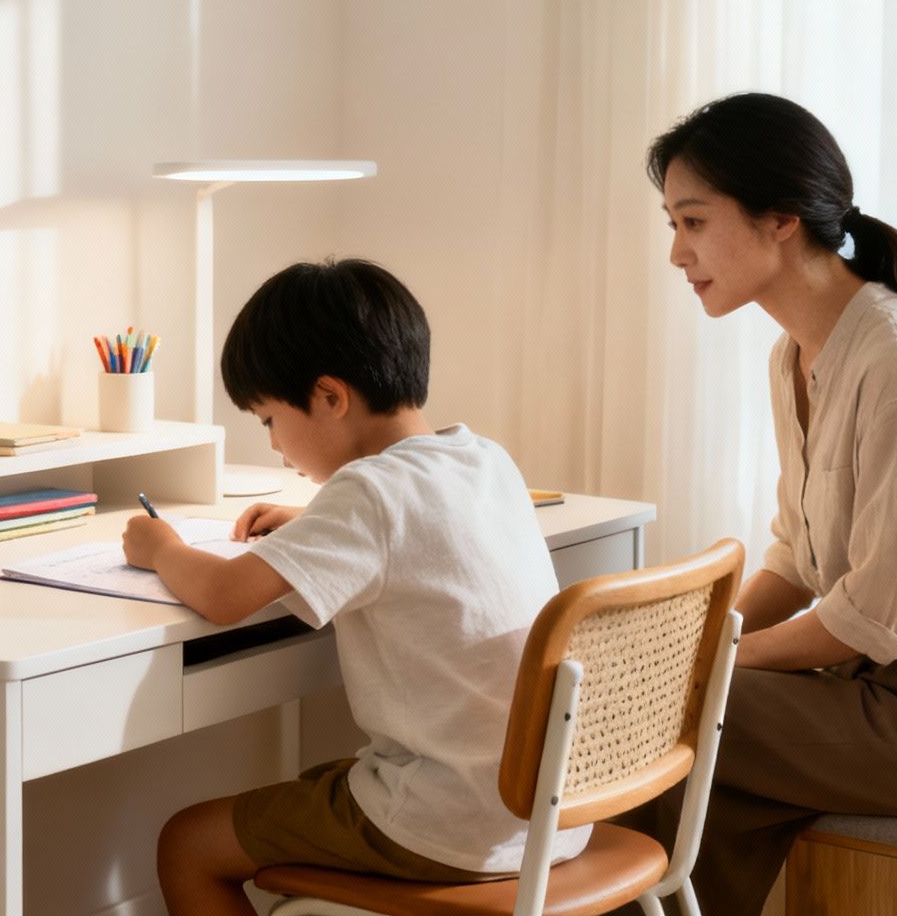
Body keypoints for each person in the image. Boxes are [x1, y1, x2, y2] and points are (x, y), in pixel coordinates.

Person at [640, 92, 897, 915]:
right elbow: (798, 559)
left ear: (780, 219)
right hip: (875, 682)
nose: (676, 253)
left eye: (692, 222)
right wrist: (700, 639)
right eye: (672, 224)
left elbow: (873, 617)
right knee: (676, 745)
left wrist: (710, 661)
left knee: (672, 715)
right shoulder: (795, 355)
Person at [122, 258, 580, 916]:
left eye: (269, 419)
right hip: (550, 812)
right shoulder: (483, 457)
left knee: (188, 844)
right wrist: (314, 527)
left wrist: (162, 547)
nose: (274, 445)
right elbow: (417, 527)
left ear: (330, 397)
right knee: (318, 784)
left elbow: (223, 596)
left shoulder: (365, 494)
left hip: (452, 824)